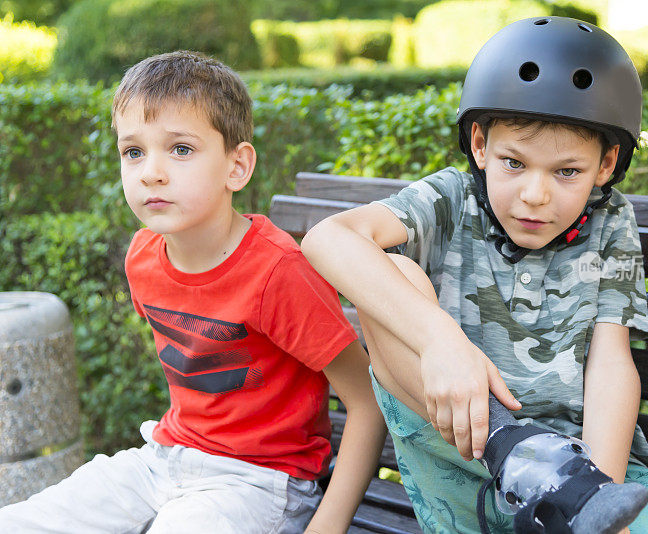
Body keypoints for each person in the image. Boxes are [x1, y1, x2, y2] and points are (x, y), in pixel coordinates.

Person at [301, 17, 648, 534]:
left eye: (566, 172)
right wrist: (442, 342)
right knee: (397, 269)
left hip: (584, 471)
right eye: (514, 163)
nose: (535, 195)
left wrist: (594, 502)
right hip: (462, 468)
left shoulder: (608, 221)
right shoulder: (452, 199)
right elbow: (328, 238)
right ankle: (512, 449)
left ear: (605, 165)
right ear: (479, 144)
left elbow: (610, 363)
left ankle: (566, 489)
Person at [0, 50, 387, 534]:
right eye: (133, 151)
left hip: (259, 480)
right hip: (164, 458)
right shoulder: (142, 258)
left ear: (237, 167)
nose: (151, 172)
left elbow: (368, 401)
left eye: (180, 149)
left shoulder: (276, 271)